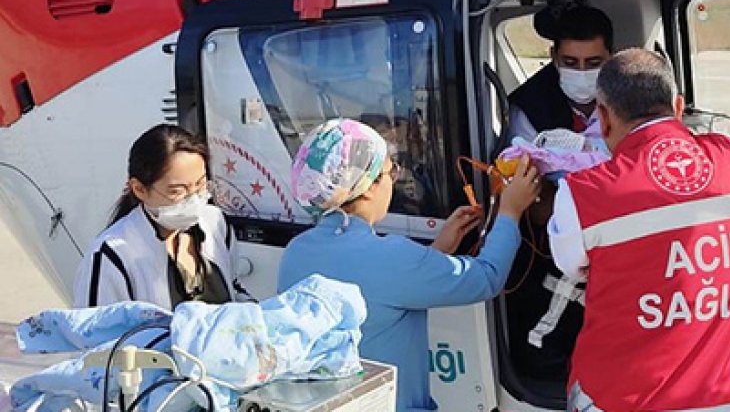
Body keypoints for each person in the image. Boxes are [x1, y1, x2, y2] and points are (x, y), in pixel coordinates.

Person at [548, 49, 730, 411]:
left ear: (602, 118)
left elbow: (572, 266)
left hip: (621, 400)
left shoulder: (583, 193)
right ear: (678, 107)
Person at [276, 119, 541, 412]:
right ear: (367, 187)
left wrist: (437, 250)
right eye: (391, 171)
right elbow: (486, 278)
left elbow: (380, 288)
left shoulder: (296, 253)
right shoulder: (392, 257)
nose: (395, 178)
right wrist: (510, 212)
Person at [73, 124, 252, 308]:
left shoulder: (214, 223)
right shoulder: (112, 255)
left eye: (200, 185)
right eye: (177, 191)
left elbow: (234, 287)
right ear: (139, 189)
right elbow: (95, 331)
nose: (194, 200)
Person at [508, 1, 614, 142]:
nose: (581, 72)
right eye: (570, 63)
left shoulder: (631, 100)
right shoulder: (529, 110)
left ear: (611, 57)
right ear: (554, 56)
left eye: (593, 63)